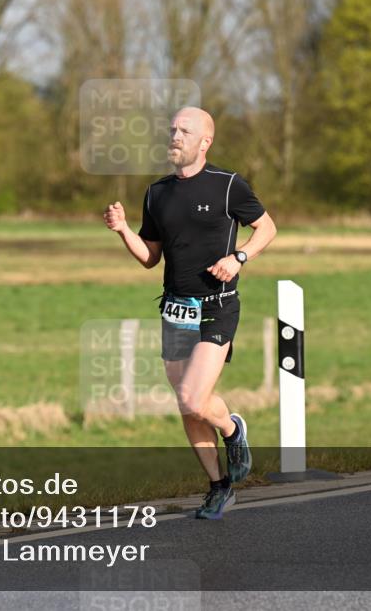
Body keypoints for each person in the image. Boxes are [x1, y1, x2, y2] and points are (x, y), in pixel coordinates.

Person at [104, 106, 276, 519]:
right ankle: (220, 487)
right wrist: (124, 230)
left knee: (192, 396)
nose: (174, 136)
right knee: (188, 407)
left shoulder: (228, 185)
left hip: (217, 305)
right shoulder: (157, 193)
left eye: (184, 130)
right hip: (175, 308)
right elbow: (150, 258)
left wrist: (239, 257)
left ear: (205, 141)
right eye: (172, 129)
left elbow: (267, 227)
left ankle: (233, 429)